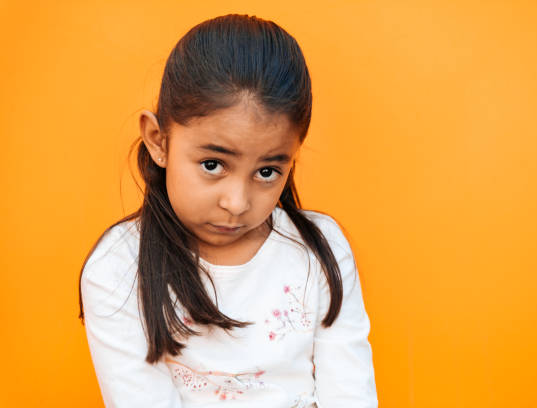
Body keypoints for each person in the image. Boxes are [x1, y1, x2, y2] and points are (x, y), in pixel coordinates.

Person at [78, 13, 377, 408]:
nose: (236, 203)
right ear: (158, 140)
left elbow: (351, 394)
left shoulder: (320, 251)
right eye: (213, 164)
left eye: (267, 172)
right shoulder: (118, 269)